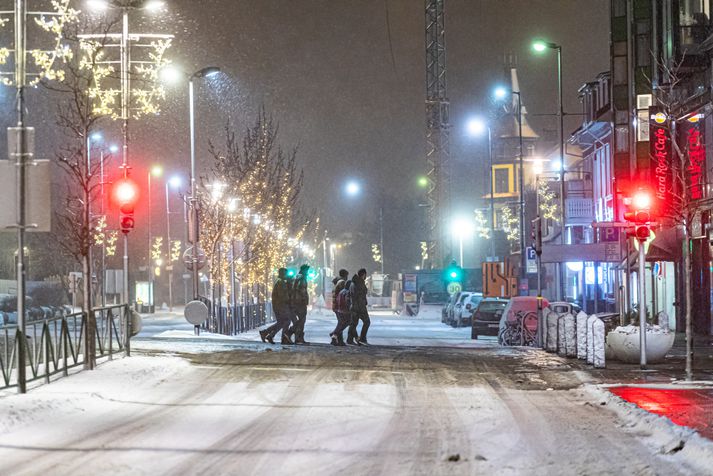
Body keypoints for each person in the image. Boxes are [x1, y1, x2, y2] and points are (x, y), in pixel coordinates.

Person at [259, 268, 293, 345]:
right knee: (287, 321)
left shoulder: (280, 282)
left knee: (281, 322)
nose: (286, 276)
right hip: (281, 305)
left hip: (279, 305)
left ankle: (267, 334)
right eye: (285, 274)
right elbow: (284, 296)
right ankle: (284, 338)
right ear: (282, 274)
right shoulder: (281, 283)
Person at [288, 264, 311, 344]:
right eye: (307, 270)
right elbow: (302, 291)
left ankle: (296, 336)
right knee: (302, 320)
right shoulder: (302, 278)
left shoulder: (297, 278)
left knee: (300, 320)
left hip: (295, 302)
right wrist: (305, 299)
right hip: (300, 302)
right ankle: (295, 336)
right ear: (304, 270)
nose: (307, 272)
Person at [348, 268, 370, 345]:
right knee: (367, 322)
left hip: (353, 306)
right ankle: (362, 338)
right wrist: (363, 305)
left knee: (353, 324)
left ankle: (350, 339)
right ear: (363, 274)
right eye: (365, 275)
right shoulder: (360, 283)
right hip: (359, 307)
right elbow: (360, 296)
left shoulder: (353, 282)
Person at [330, 269, 350, 346]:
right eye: (347, 276)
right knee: (344, 322)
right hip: (339, 306)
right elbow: (343, 295)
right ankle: (334, 334)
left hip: (336, 305)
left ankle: (338, 340)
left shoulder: (337, 282)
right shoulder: (341, 282)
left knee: (341, 322)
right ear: (345, 275)